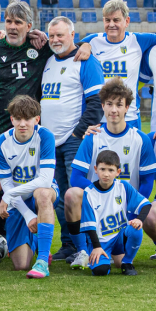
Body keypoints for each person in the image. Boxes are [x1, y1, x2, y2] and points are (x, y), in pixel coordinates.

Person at [0, 1, 51, 239]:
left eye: (18, 22)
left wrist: (84, 45)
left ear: (28, 26)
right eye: (9, 21)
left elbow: (67, 45)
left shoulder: (41, 48)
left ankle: (29, 234)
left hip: (28, 132)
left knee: (30, 184)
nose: (13, 27)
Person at [64, 79, 156, 269]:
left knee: (154, 212)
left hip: (124, 208)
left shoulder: (140, 139)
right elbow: (76, 178)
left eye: (119, 105)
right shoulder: (92, 137)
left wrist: (132, 209)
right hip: (97, 205)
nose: (113, 110)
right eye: (109, 104)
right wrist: (101, 196)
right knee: (72, 194)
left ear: (127, 108)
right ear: (102, 106)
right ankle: (83, 251)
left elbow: (148, 180)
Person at [39, 15, 104, 261]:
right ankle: (69, 244)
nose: (55, 40)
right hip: (50, 142)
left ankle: (87, 244)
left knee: (77, 194)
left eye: (60, 35)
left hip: (74, 140)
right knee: (58, 197)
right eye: (52, 35)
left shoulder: (85, 61)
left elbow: (96, 103)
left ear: (72, 36)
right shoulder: (48, 62)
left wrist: (78, 133)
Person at [0, 96, 58, 279]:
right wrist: (28, 215)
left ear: (36, 119)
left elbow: (45, 180)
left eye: (27, 118)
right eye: (18, 119)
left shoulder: (45, 136)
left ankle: (43, 260)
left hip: (43, 191)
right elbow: (6, 184)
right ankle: (37, 240)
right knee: (21, 264)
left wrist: (9, 194)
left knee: (42, 194)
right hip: (18, 200)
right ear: (11, 119)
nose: (22, 124)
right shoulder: (0, 144)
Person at [80, 0, 156, 128]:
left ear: (126, 21)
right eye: (107, 20)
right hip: (99, 119)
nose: (111, 24)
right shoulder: (92, 41)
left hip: (130, 117)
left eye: (116, 20)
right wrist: (82, 45)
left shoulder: (138, 40)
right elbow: (69, 50)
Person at [79, 150, 150, 276]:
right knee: (100, 271)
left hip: (120, 236)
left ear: (118, 172)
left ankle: (127, 263)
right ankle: (103, 259)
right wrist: (97, 247)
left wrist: (139, 219)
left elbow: (145, 204)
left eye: (111, 170)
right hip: (101, 240)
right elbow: (89, 225)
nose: (106, 174)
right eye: (102, 169)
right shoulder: (89, 193)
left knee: (135, 228)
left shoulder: (123, 186)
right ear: (96, 169)